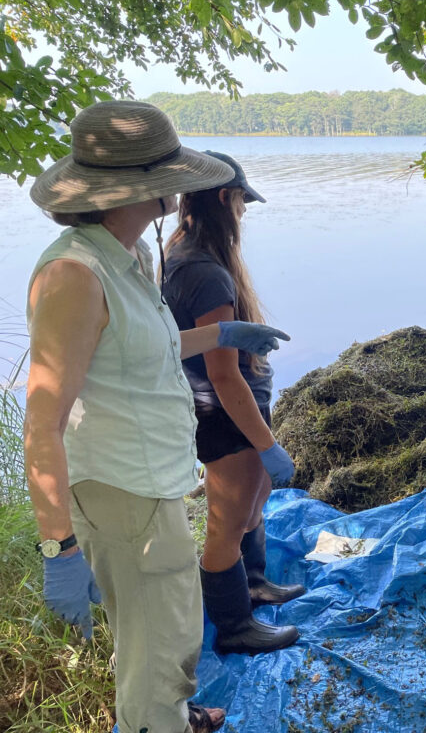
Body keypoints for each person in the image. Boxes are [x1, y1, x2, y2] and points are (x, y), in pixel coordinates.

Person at [23, 100, 291, 733]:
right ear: (141, 188)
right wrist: (57, 546)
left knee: (159, 634)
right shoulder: (74, 274)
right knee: (159, 646)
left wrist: (223, 331)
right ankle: (156, 720)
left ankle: (173, 711)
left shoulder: (132, 255)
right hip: (123, 495)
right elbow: (42, 422)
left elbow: (145, 347)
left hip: (155, 482)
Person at [162, 152, 303, 655]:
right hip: (224, 415)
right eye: (243, 201)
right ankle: (234, 627)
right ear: (224, 197)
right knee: (227, 523)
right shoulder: (205, 275)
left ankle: (255, 583)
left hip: (233, 411)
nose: (245, 212)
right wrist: (266, 445)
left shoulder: (184, 251)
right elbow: (223, 375)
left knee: (253, 500)